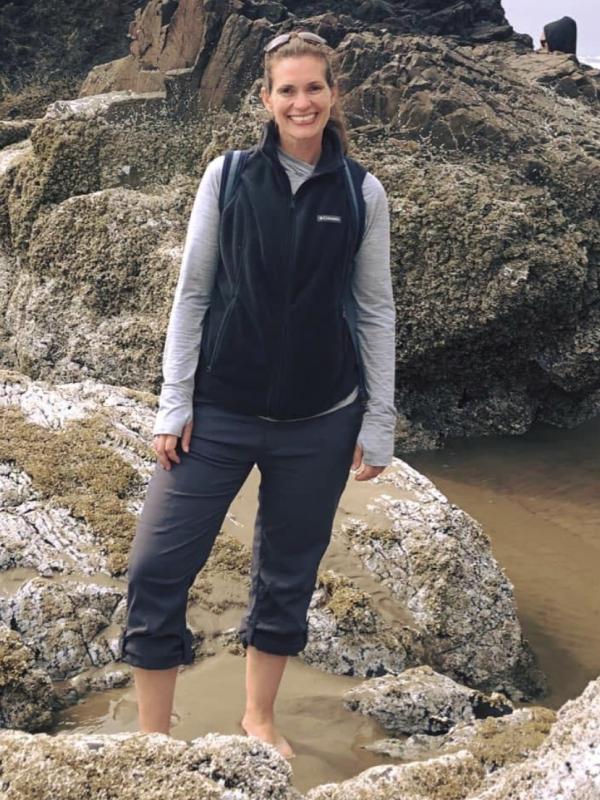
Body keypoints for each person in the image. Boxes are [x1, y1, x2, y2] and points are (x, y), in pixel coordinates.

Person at [117, 30, 397, 759]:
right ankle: (152, 737)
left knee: (285, 575)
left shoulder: (363, 192)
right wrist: (174, 401)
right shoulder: (229, 175)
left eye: (313, 88)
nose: (301, 102)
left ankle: (258, 719)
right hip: (218, 411)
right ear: (266, 98)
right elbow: (193, 293)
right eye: (287, 89)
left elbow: (374, 310)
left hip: (321, 420)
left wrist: (379, 417)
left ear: (333, 94)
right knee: (155, 567)